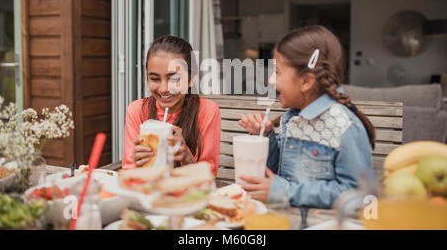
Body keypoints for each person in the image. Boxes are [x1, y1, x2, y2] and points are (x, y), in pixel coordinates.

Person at [238, 25, 374, 208]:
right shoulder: (292, 116)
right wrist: (266, 137)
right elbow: (280, 172)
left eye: (277, 72)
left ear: (306, 81)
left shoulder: (344, 127)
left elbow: (358, 194)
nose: (271, 80)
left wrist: (284, 192)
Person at [122, 36, 221, 176]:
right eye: (155, 79)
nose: (163, 89)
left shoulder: (207, 111)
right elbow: (128, 170)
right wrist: (137, 166)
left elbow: (209, 176)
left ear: (191, 79)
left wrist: (187, 159)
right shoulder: (137, 110)